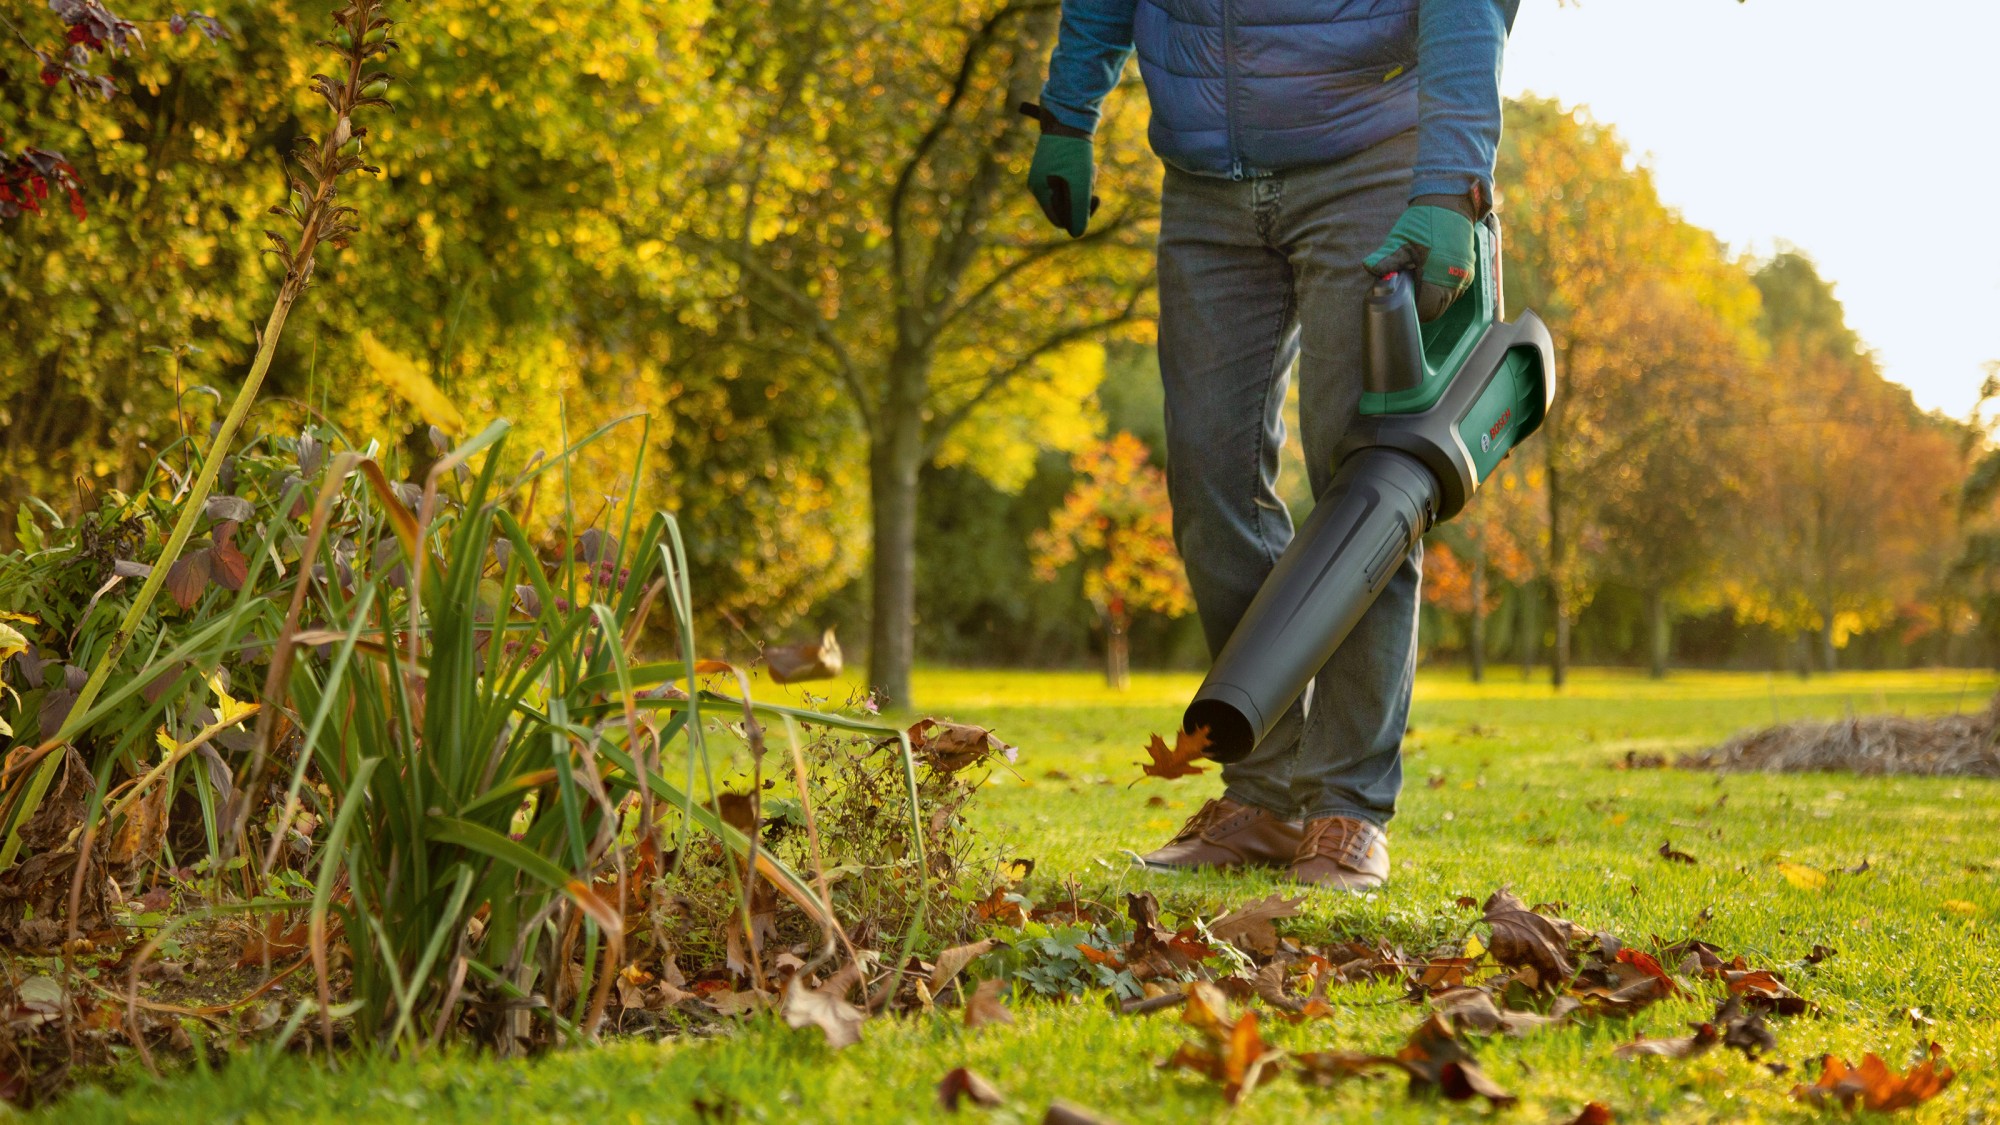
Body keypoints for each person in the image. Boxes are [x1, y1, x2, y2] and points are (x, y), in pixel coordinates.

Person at [1024, 0, 1520, 889]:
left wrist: (1451, 183)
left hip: (1371, 161)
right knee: (1210, 487)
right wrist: (1068, 111)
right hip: (1205, 181)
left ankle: (1345, 807)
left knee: (1368, 486)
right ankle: (1265, 793)